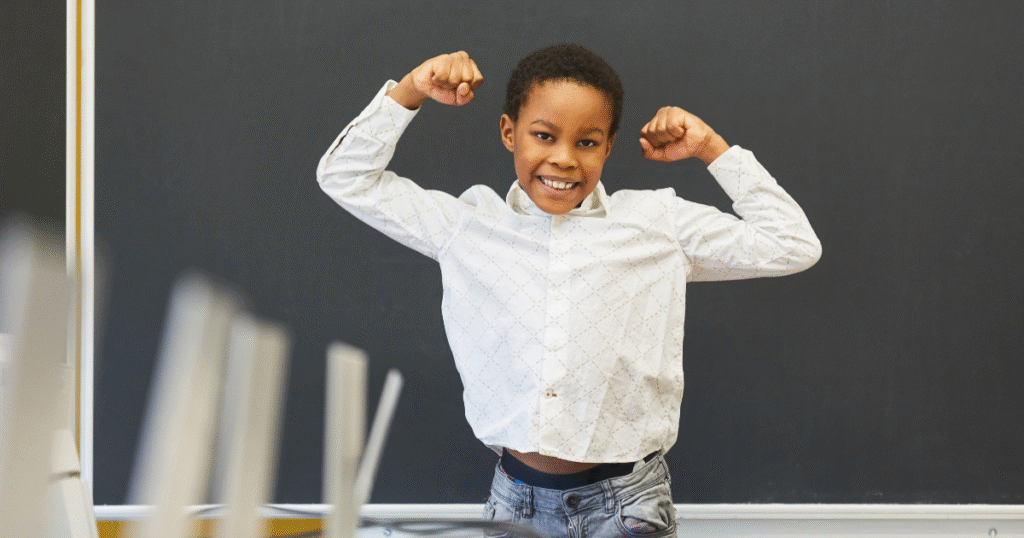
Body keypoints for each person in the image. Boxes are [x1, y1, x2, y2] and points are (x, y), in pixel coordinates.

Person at [317, 43, 821, 538]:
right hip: (515, 503)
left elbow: (792, 244)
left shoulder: (656, 223)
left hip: (628, 506)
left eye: (587, 142)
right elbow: (345, 177)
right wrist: (410, 91)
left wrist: (711, 147)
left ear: (608, 146)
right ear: (508, 132)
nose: (563, 159)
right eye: (543, 135)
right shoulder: (465, 225)